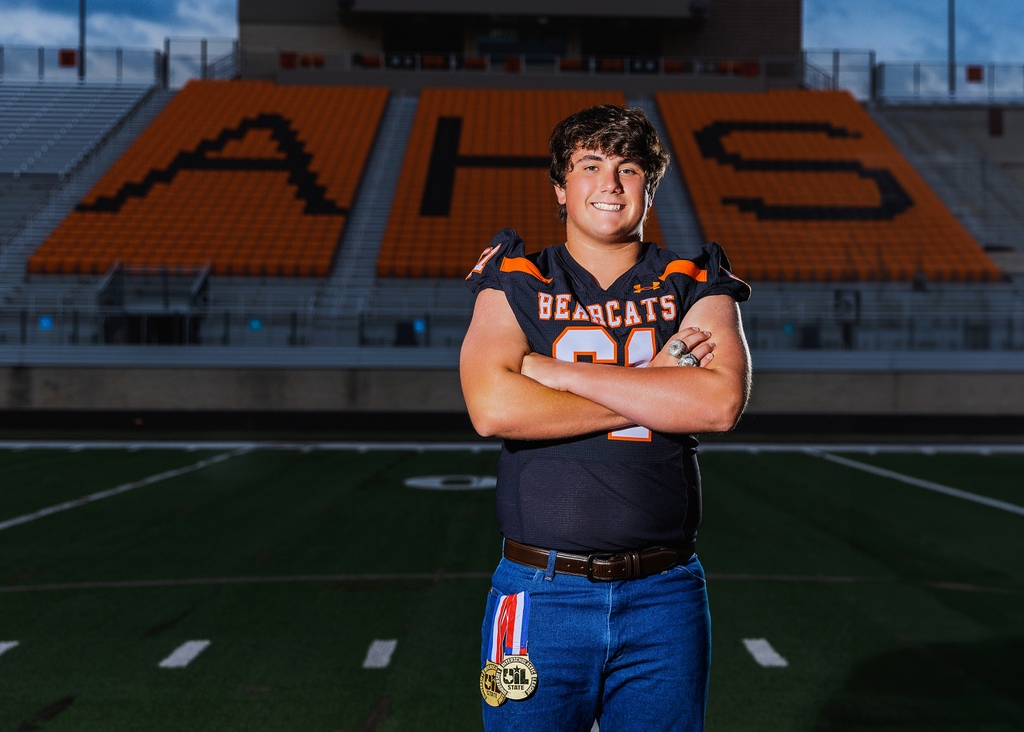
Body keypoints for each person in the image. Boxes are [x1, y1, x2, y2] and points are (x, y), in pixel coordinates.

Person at [460, 104, 751, 732]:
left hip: (664, 593)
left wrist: (556, 372)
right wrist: (655, 384)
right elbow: (492, 408)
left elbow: (718, 403)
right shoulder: (517, 275)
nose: (610, 184)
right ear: (561, 189)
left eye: (629, 168)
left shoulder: (694, 279)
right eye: (590, 166)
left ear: (650, 184)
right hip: (539, 590)